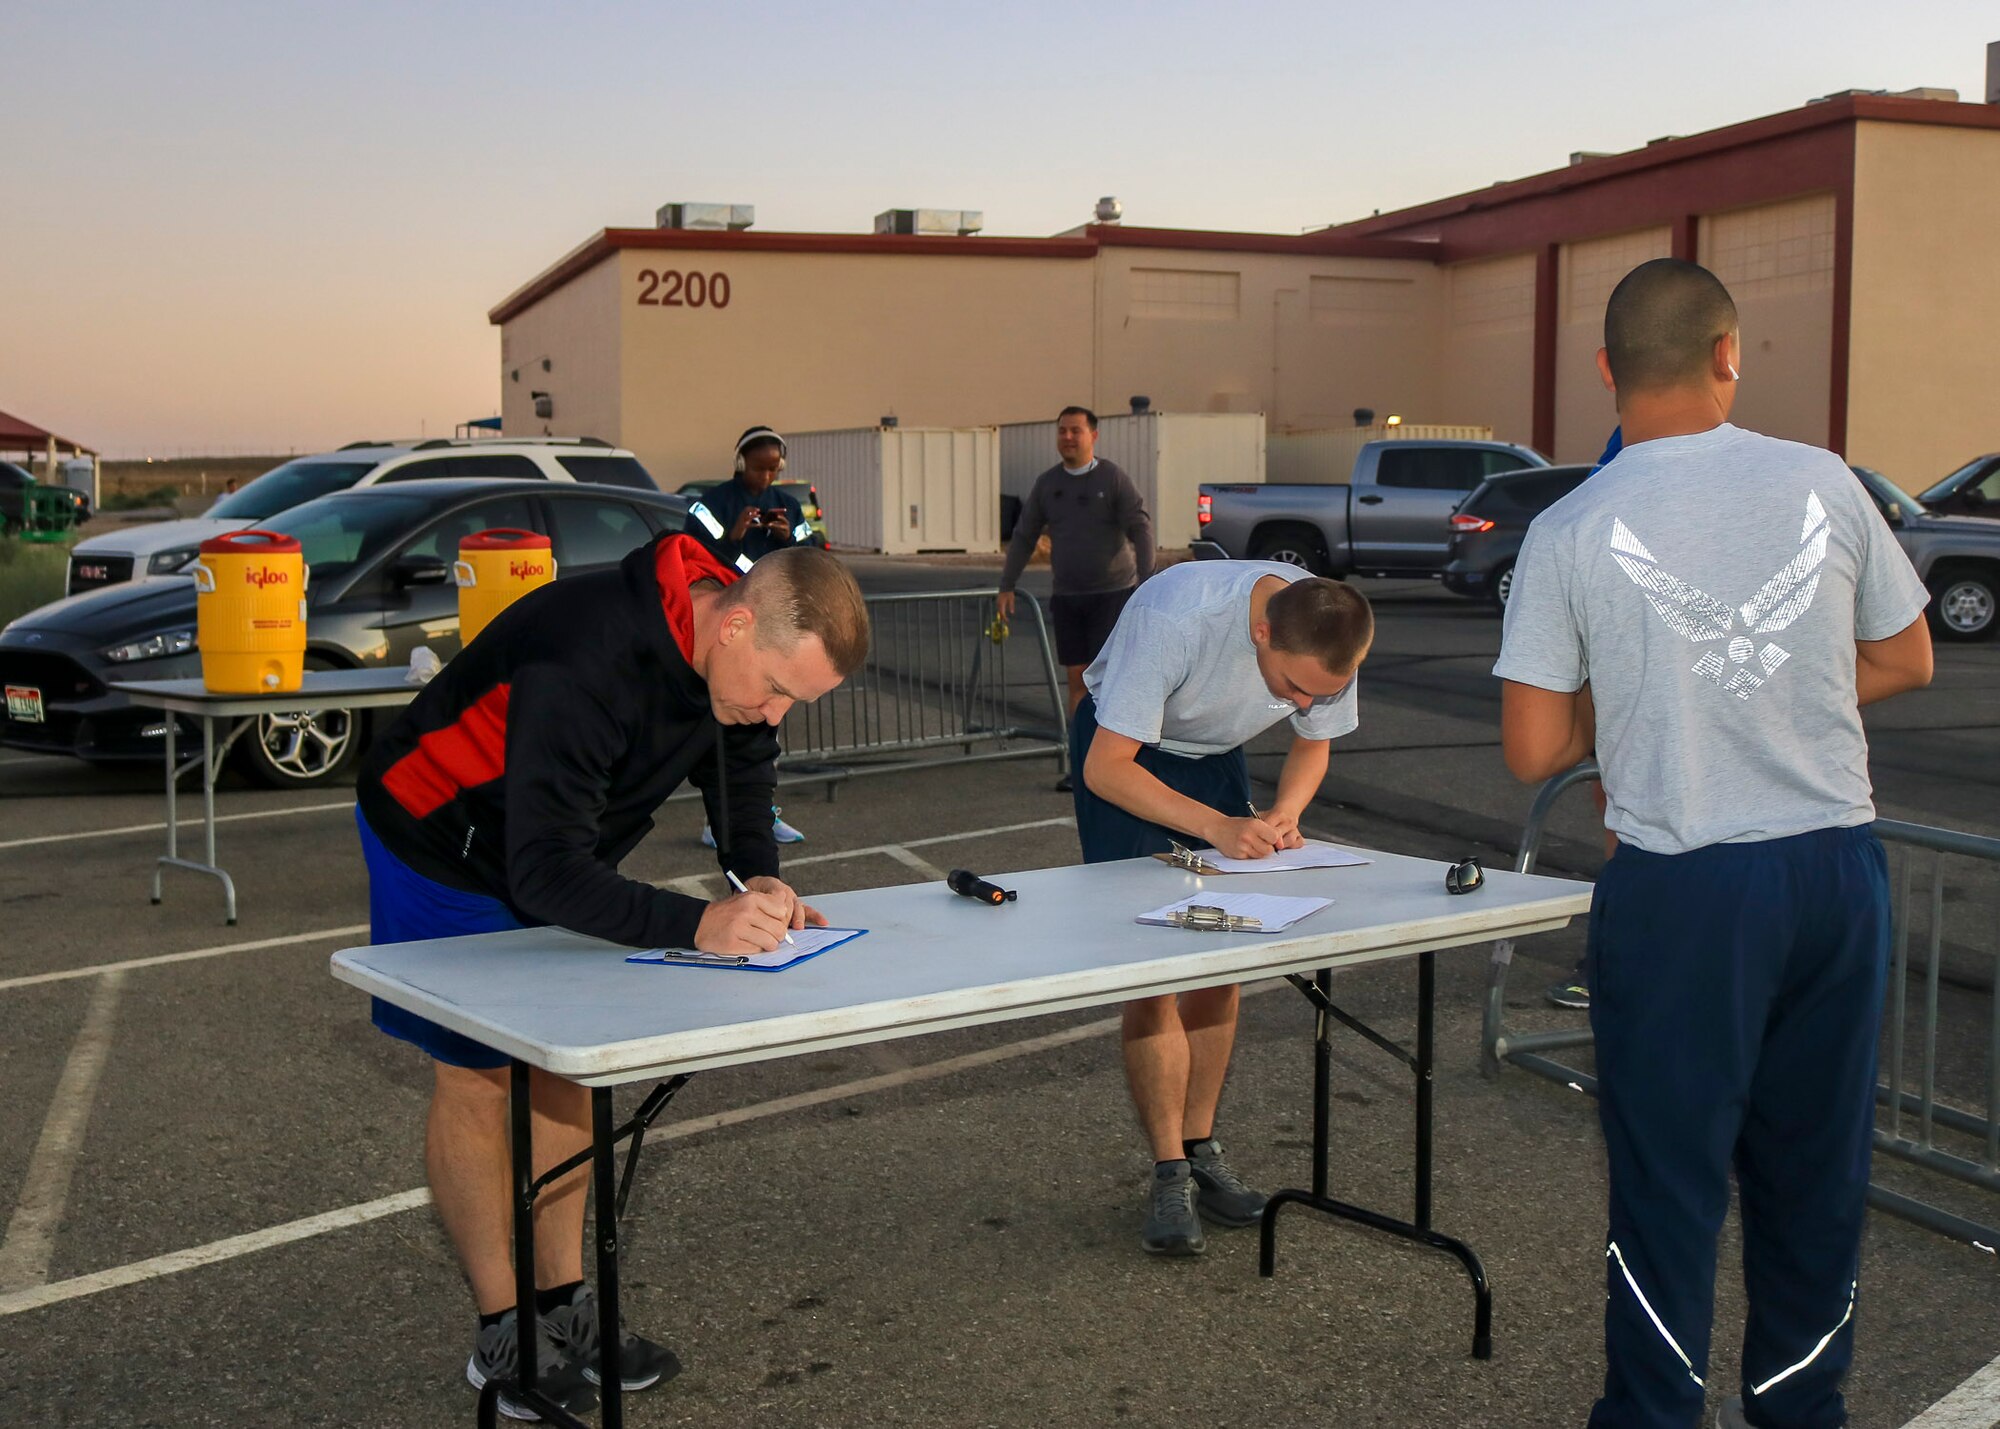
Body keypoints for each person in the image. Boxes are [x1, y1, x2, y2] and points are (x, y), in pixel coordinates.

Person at [1495, 258, 1932, 1429]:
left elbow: (1532, 747)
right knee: (1812, 1172)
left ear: (1604, 371)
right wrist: (1775, 693)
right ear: (1728, 355)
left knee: (1668, 1181)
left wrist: (1647, 698)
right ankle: (1801, 1409)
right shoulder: (1823, 482)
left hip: (1685, 889)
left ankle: (1650, 1414)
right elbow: (1903, 656)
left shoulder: (1573, 523)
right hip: (1834, 873)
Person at [354, 533, 870, 1420]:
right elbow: (543, 876)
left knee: (566, 1067)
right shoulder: (584, 650)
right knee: (478, 1080)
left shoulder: (733, 664)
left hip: (547, 848)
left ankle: (561, 1302)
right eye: (781, 689)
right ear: (736, 625)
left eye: (800, 700)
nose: (779, 712)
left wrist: (757, 876)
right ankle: (502, 1324)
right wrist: (699, 922)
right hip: (439, 839)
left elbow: (742, 767)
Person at [1073, 559, 1372, 1255]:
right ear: (1261, 632)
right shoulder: (1176, 619)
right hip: (1128, 753)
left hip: (1212, 755)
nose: (1303, 703)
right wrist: (1218, 826)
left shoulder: (1328, 630)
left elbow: (1313, 743)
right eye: (1294, 687)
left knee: (1222, 955)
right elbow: (1105, 766)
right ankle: (1168, 1167)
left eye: (1319, 692)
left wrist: (1286, 812)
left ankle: (1199, 1144)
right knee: (1153, 964)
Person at [999, 406, 1156, 792]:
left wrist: (1148, 584)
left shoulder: (1112, 478)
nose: (1068, 437)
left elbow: (1141, 527)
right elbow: (1023, 536)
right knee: (1078, 684)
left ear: (1093, 436)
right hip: (1069, 597)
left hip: (1113, 595)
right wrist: (1006, 584)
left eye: (1076, 431)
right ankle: (1083, 764)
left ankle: (1121, 766)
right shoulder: (1048, 484)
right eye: (1062, 431)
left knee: (1109, 684)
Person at [686, 425, 822, 842]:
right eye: (759, 468)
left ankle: (764, 814)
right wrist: (735, 536)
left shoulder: (787, 505)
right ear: (740, 462)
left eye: (773, 469)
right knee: (723, 722)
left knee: (766, 725)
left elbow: (813, 555)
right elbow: (693, 558)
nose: (766, 478)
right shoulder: (712, 504)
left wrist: (787, 539)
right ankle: (715, 821)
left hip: (773, 625)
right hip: (727, 628)